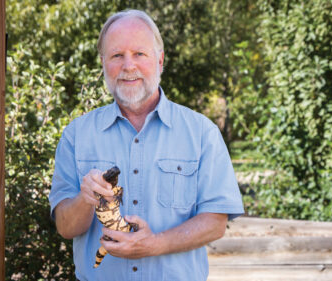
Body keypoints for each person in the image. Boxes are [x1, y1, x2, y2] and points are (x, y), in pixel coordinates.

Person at [49, 9, 244, 281]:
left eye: (139, 54)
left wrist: (152, 245)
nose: (129, 66)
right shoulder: (76, 135)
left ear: (160, 60)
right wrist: (85, 199)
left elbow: (215, 223)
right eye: (117, 55)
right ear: (103, 63)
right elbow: (66, 227)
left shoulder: (202, 133)